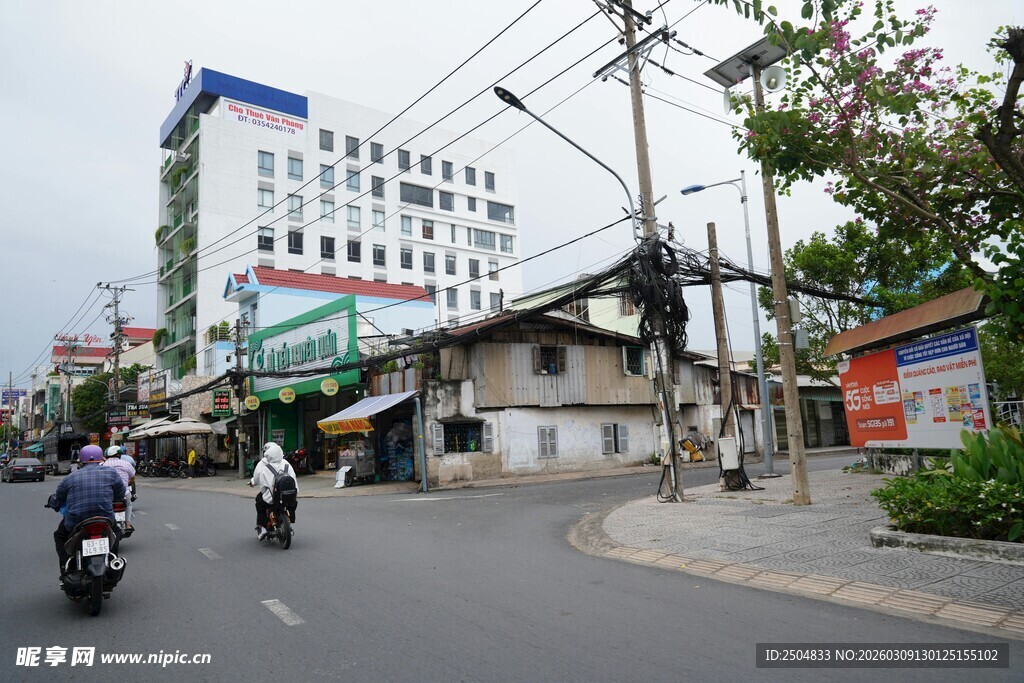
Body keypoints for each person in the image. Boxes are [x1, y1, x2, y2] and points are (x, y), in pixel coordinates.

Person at [49, 445, 126, 578]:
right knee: (116, 533)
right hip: (104, 519)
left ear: (81, 460)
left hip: (76, 522)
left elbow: (58, 499)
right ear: (101, 459)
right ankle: (113, 562)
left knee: (60, 536)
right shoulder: (111, 473)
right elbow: (121, 493)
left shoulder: (70, 477)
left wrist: (53, 503)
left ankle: (65, 567)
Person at [247, 442, 298, 540]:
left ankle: (263, 528)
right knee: (292, 504)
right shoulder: (287, 464)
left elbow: (262, 486)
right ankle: (290, 523)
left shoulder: (265, 467)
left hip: (272, 499)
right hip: (289, 497)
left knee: (259, 504)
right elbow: (294, 481)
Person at [102, 445, 135, 532]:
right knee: (128, 504)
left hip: (107, 494)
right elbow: (132, 478)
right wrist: (125, 484)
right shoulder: (126, 463)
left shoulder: (102, 465)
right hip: (124, 493)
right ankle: (128, 524)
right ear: (119, 455)